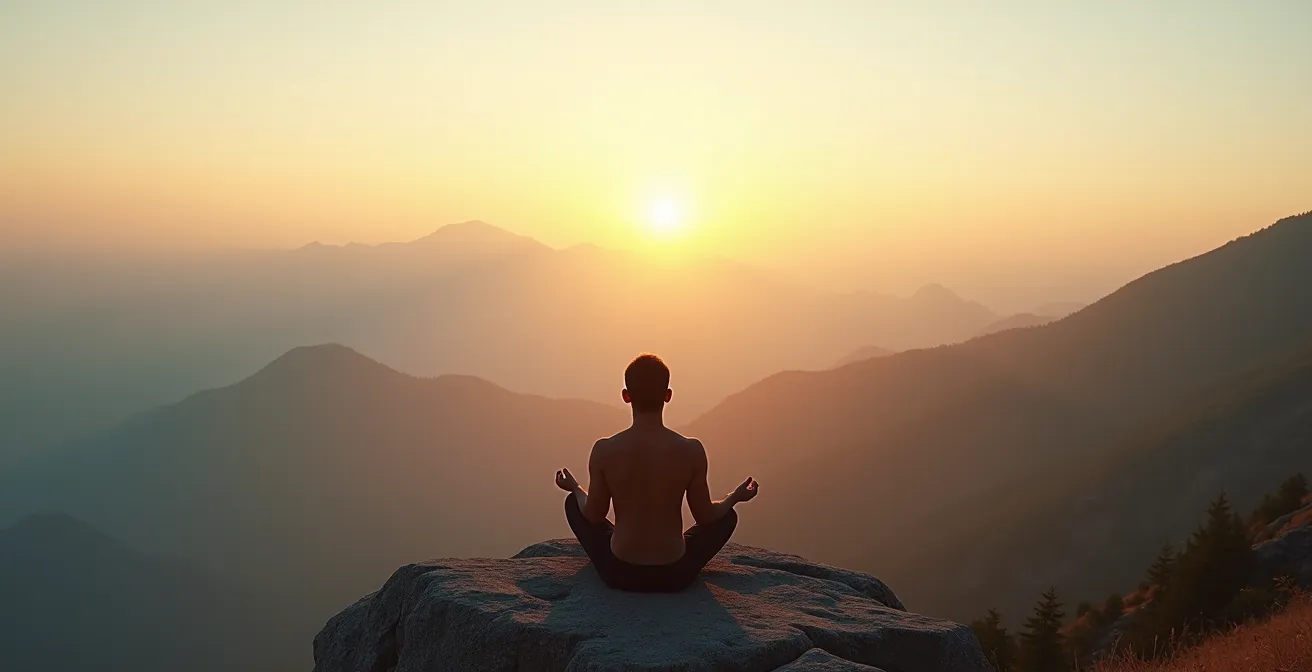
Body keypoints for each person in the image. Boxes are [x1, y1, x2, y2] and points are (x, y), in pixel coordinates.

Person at [554, 353, 759, 592]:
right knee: (728, 516)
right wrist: (734, 497)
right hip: (674, 575)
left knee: (573, 504)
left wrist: (576, 488)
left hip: (620, 572)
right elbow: (705, 516)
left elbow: (593, 515)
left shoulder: (605, 450)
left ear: (626, 396)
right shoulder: (691, 450)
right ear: (668, 395)